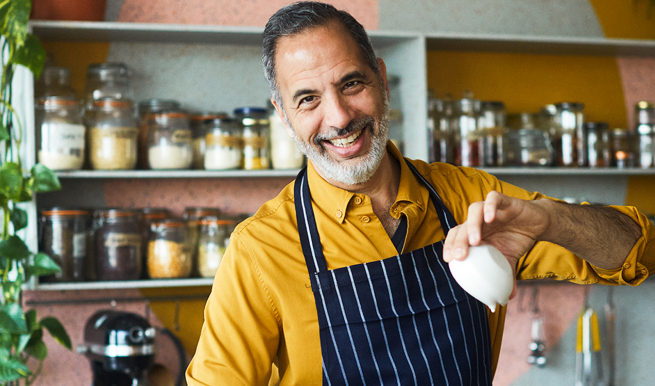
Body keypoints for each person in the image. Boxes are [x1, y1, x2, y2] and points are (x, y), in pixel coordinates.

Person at [186, 2, 655, 385]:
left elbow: (640, 252)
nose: (339, 117)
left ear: (382, 80)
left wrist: (550, 219)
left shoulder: (472, 198)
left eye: (351, 83)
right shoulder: (260, 250)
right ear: (283, 115)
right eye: (308, 98)